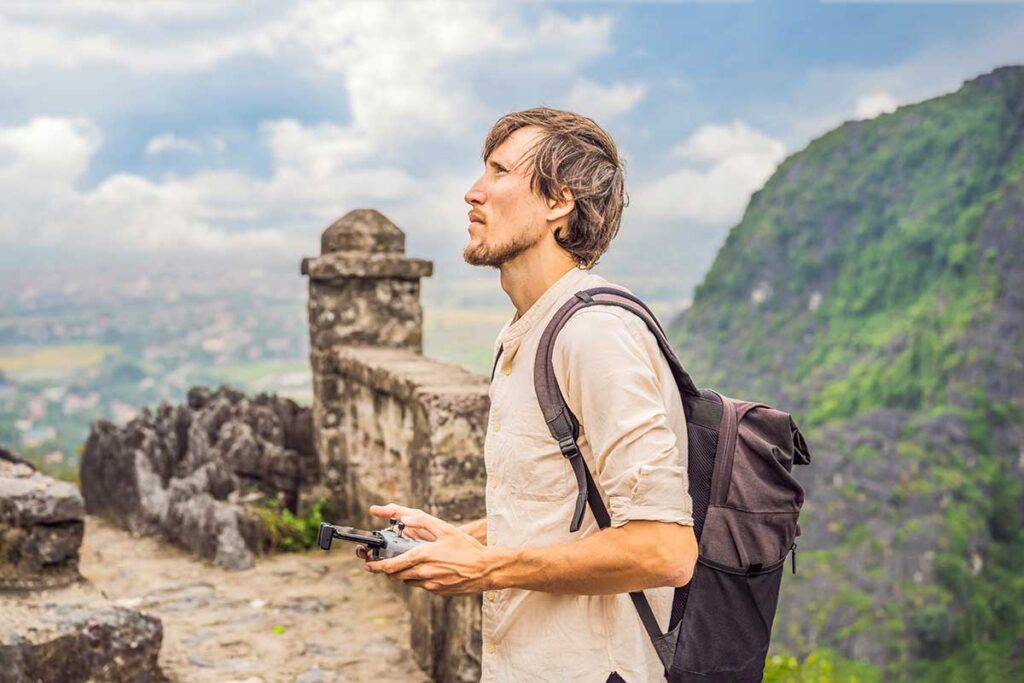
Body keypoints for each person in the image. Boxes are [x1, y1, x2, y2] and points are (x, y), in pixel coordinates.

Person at [360, 107, 698, 682]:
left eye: (498, 172)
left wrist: (487, 568)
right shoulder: (531, 330)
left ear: (558, 201)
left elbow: (664, 549)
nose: (473, 193)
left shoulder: (594, 334)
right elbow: (572, 507)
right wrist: (458, 538)